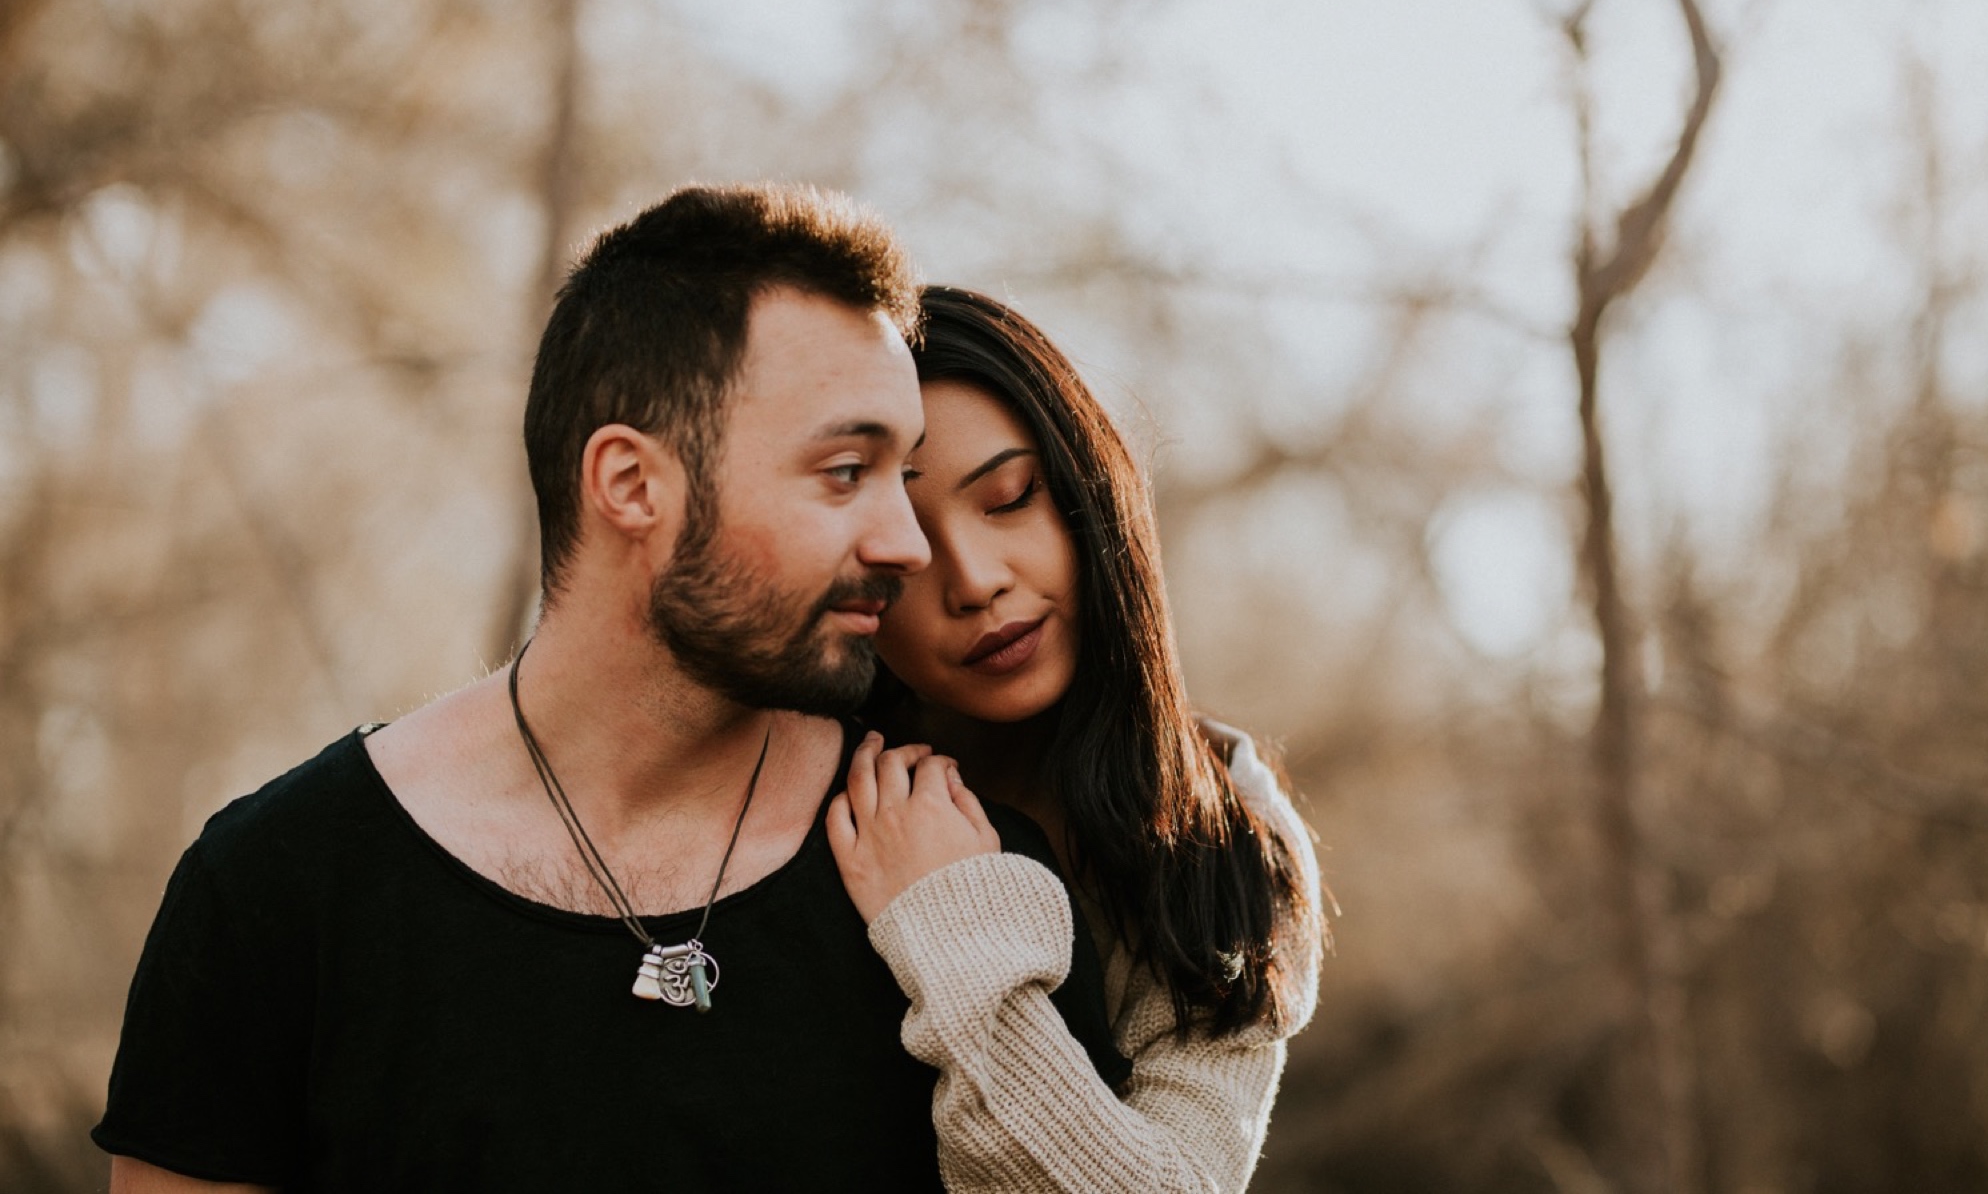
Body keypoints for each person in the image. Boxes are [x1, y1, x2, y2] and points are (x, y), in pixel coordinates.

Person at [94, 184, 981, 1191]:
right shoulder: (274, 889)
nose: (906, 544)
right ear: (631, 484)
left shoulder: (961, 880)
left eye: (898, 474)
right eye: (842, 470)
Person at [826, 285, 1326, 1193]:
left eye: (1010, 499)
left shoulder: (1230, 836)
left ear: (1091, 496)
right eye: (907, 546)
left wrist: (953, 922)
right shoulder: (783, 786)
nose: (975, 582)